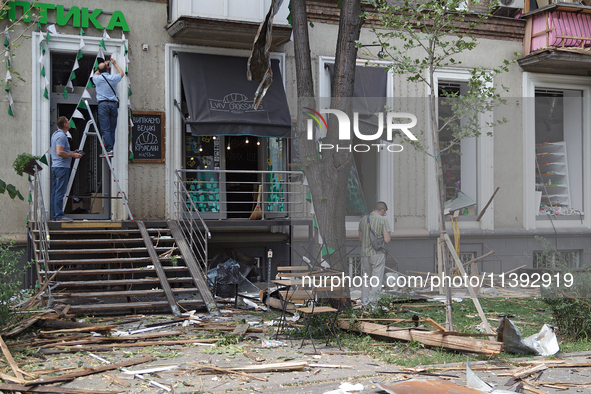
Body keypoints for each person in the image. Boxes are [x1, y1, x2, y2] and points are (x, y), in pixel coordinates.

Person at [358, 201, 392, 306]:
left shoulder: (363, 220)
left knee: (366, 278)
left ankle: (365, 303)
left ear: (374, 209)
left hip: (364, 253)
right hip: (377, 253)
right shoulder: (383, 220)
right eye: (384, 212)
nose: (384, 214)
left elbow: (360, 239)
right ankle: (374, 304)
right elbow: (386, 240)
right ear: (383, 210)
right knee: (376, 279)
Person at [50, 116, 82, 221]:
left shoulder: (55, 134)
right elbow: (59, 152)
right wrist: (72, 156)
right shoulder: (62, 136)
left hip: (56, 166)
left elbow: (60, 151)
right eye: (68, 121)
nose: (69, 122)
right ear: (65, 124)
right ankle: (59, 216)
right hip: (61, 167)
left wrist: (73, 152)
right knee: (60, 192)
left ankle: (55, 215)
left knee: (55, 192)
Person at [92, 58, 124, 156]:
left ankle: (109, 149)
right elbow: (121, 73)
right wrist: (114, 64)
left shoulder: (96, 78)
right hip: (113, 104)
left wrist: (103, 65)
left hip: (103, 105)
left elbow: (95, 74)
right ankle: (110, 149)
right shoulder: (113, 78)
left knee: (105, 128)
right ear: (107, 70)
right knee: (112, 129)